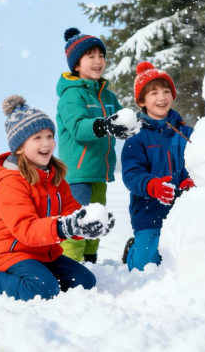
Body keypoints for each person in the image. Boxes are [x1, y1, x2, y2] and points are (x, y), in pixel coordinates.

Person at [0, 96, 114, 301]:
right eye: (37, 138)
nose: (47, 143)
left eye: (49, 136)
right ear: (20, 147)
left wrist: (84, 223)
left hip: (45, 253)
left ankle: (40, 276)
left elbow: (70, 213)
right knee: (42, 290)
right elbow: (26, 229)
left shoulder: (55, 178)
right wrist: (66, 227)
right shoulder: (11, 183)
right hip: (12, 253)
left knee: (84, 282)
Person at [56, 27, 140, 263]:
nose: (97, 61)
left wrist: (131, 126)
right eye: (90, 56)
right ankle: (70, 264)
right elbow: (78, 127)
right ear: (76, 64)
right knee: (79, 222)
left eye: (101, 56)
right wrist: (105, 126)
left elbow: (121, 120)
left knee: (97, 219)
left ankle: (90, 261)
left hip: (99, 173)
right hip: (77, 173)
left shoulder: (107, 96)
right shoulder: (71, 95)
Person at [121, 62, 195, 270]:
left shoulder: (187, 133)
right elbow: (131, 174)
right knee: (146, 266)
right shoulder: (136, 136)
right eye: (153, 93)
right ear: (142, 100)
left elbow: (202, 163)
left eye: (166, 91)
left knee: (191, 260)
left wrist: (193, 179)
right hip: (149, 213)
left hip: (185, 213)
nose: (161, 98)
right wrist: (151, 185)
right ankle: (134, 251)